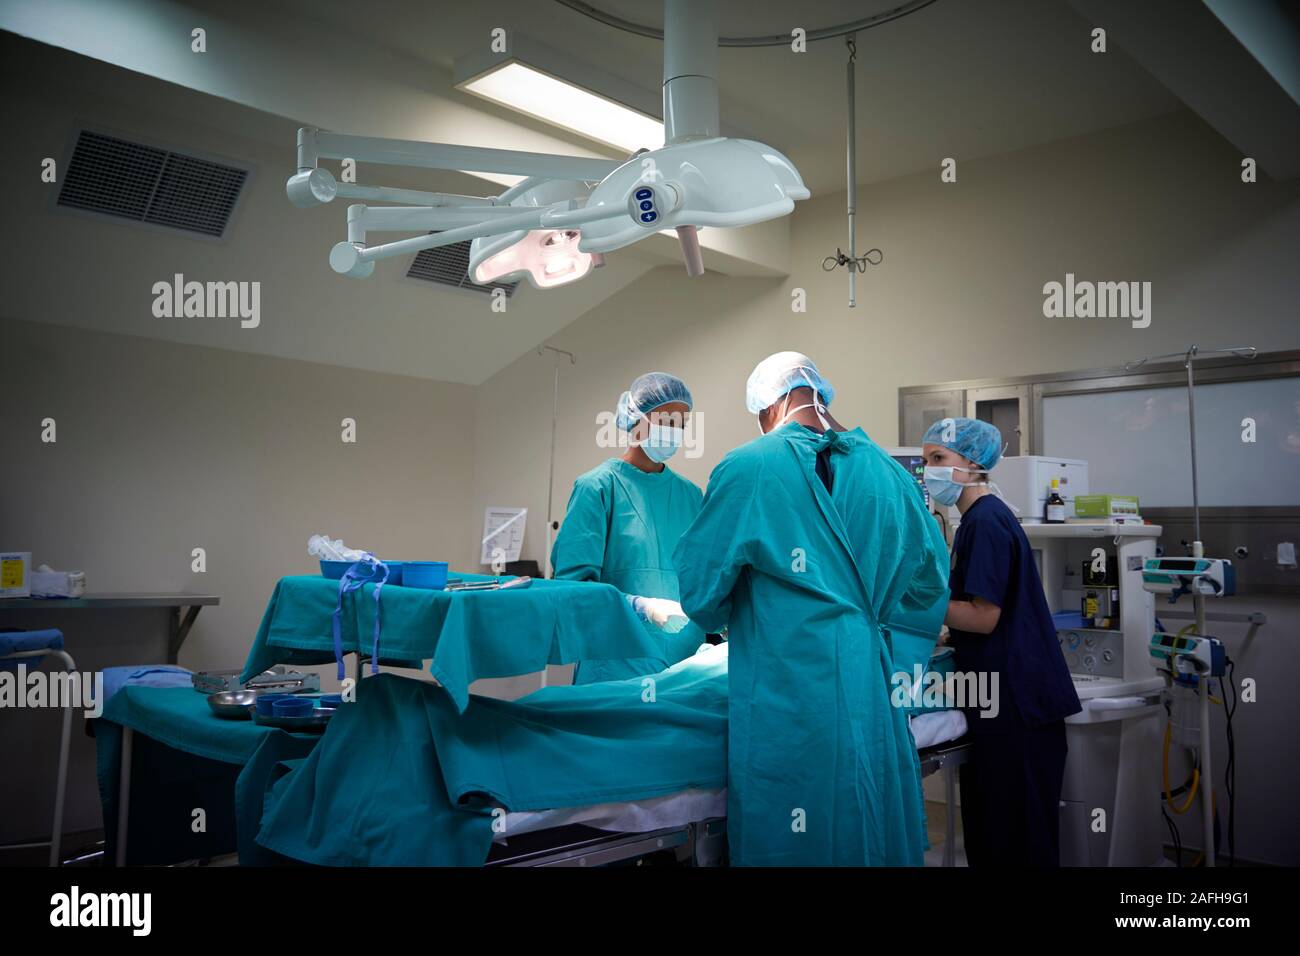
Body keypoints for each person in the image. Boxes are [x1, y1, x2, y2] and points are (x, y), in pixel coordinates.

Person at [673, 351, 949, 865]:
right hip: (870, 688)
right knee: (865, 820)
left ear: (771, 407)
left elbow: (702, 595)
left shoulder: (750, 466)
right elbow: (928, 587)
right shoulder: (893, 476)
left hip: (788, 695)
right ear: (820, 394)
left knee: (793, 827)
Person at [921, 416, 1082, 866]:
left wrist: (918, 606)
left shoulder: (986, 523)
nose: (929, 470)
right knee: (996, 832)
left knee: (1016, 840)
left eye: (938, 459)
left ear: (972, 462)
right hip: (1007, 704)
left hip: (1019, 708)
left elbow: (985, 616)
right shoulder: (981, 519)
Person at [551, 372, 705, 684]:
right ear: (635, 419)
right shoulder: (597, 488)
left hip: (684, 663)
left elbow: (701, 576)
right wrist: (640, 607)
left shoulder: (691, 496)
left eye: (681, 424)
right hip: (615, 663)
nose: (672, 431)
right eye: (665, 420)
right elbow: (573, 588)